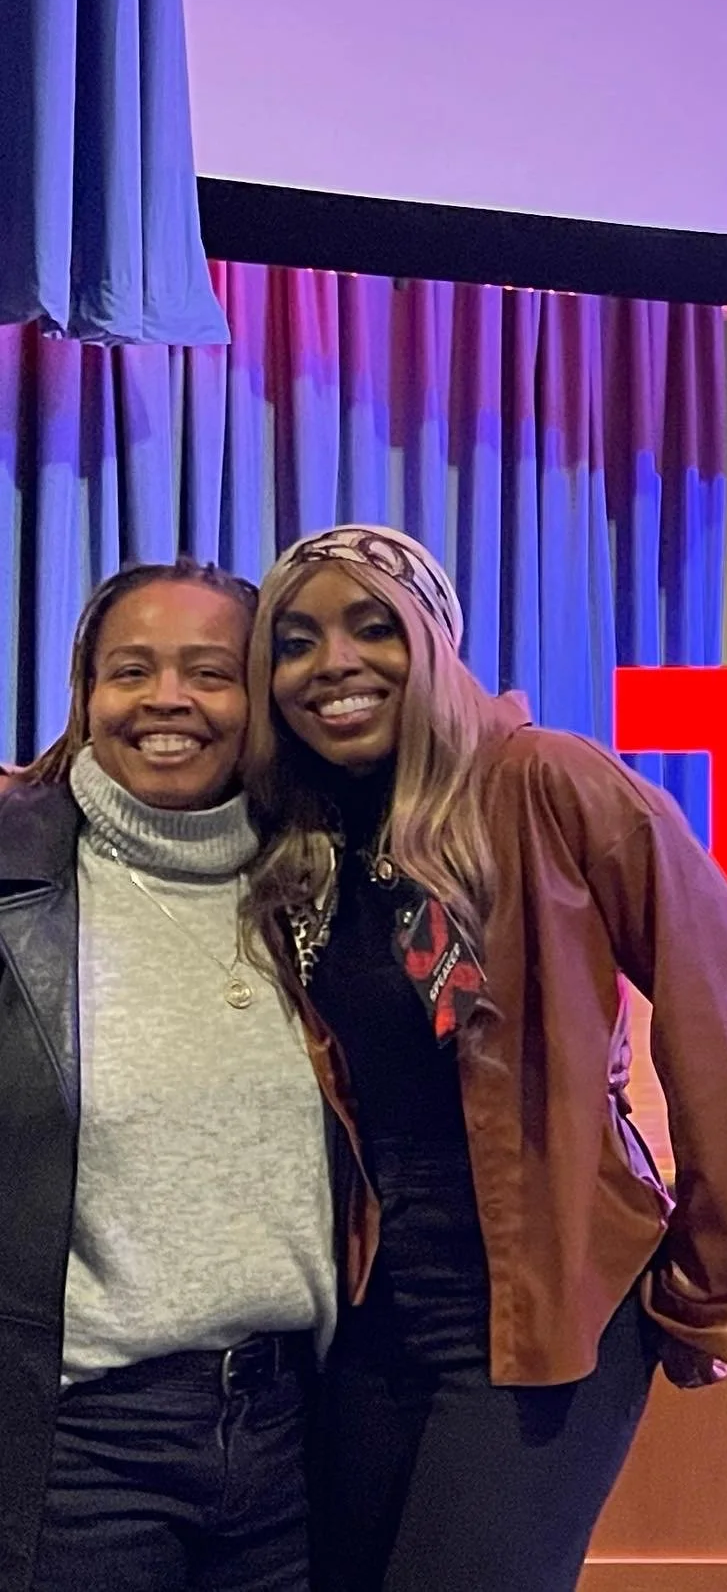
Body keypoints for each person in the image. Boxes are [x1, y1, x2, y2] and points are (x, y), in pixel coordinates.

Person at [242, 524, 727, 1592]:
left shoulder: (543, 781)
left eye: (372, 627)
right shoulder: (300, 832)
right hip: (372, 1322)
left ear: (434, 639)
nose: (333, 664)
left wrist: (714, 1279)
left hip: (544, 1309)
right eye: (295, 642)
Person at [0, 560, 336, 1592]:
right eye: (131, 670)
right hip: (79, 1453)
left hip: (298, 1442)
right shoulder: (13, 886)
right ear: (85, 694)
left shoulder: (327, 885)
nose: (167, 700)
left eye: (210, 672)